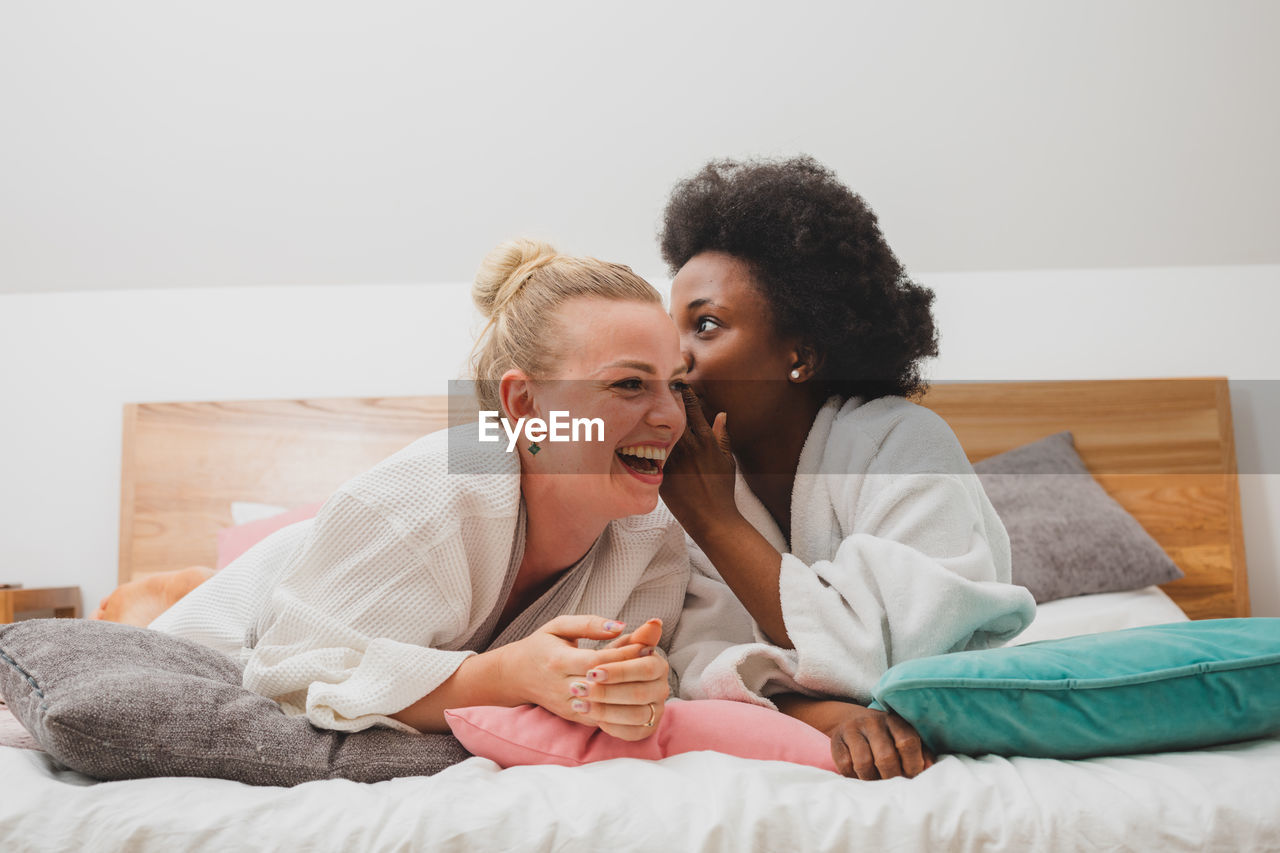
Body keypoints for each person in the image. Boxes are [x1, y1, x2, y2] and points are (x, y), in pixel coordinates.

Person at [151, 239, 690, 742]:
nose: (671, 417)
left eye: (678, 386)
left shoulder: (652, 537)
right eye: (628, 384)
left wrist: (630, 690)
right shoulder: (429, 494)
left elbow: (617, 677)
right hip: (212, 645)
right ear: (524, 403)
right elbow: (288, 680)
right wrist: (504, 674)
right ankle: (161, 592)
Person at [658, 157, 1037, 778]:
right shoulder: (684, 482)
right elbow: (695, 666)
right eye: (668, 330)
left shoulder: (901, 443)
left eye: (705, 325)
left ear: (799, 354)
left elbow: (895, 657)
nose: (674, 360)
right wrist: (823, 716)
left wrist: (719, 523)